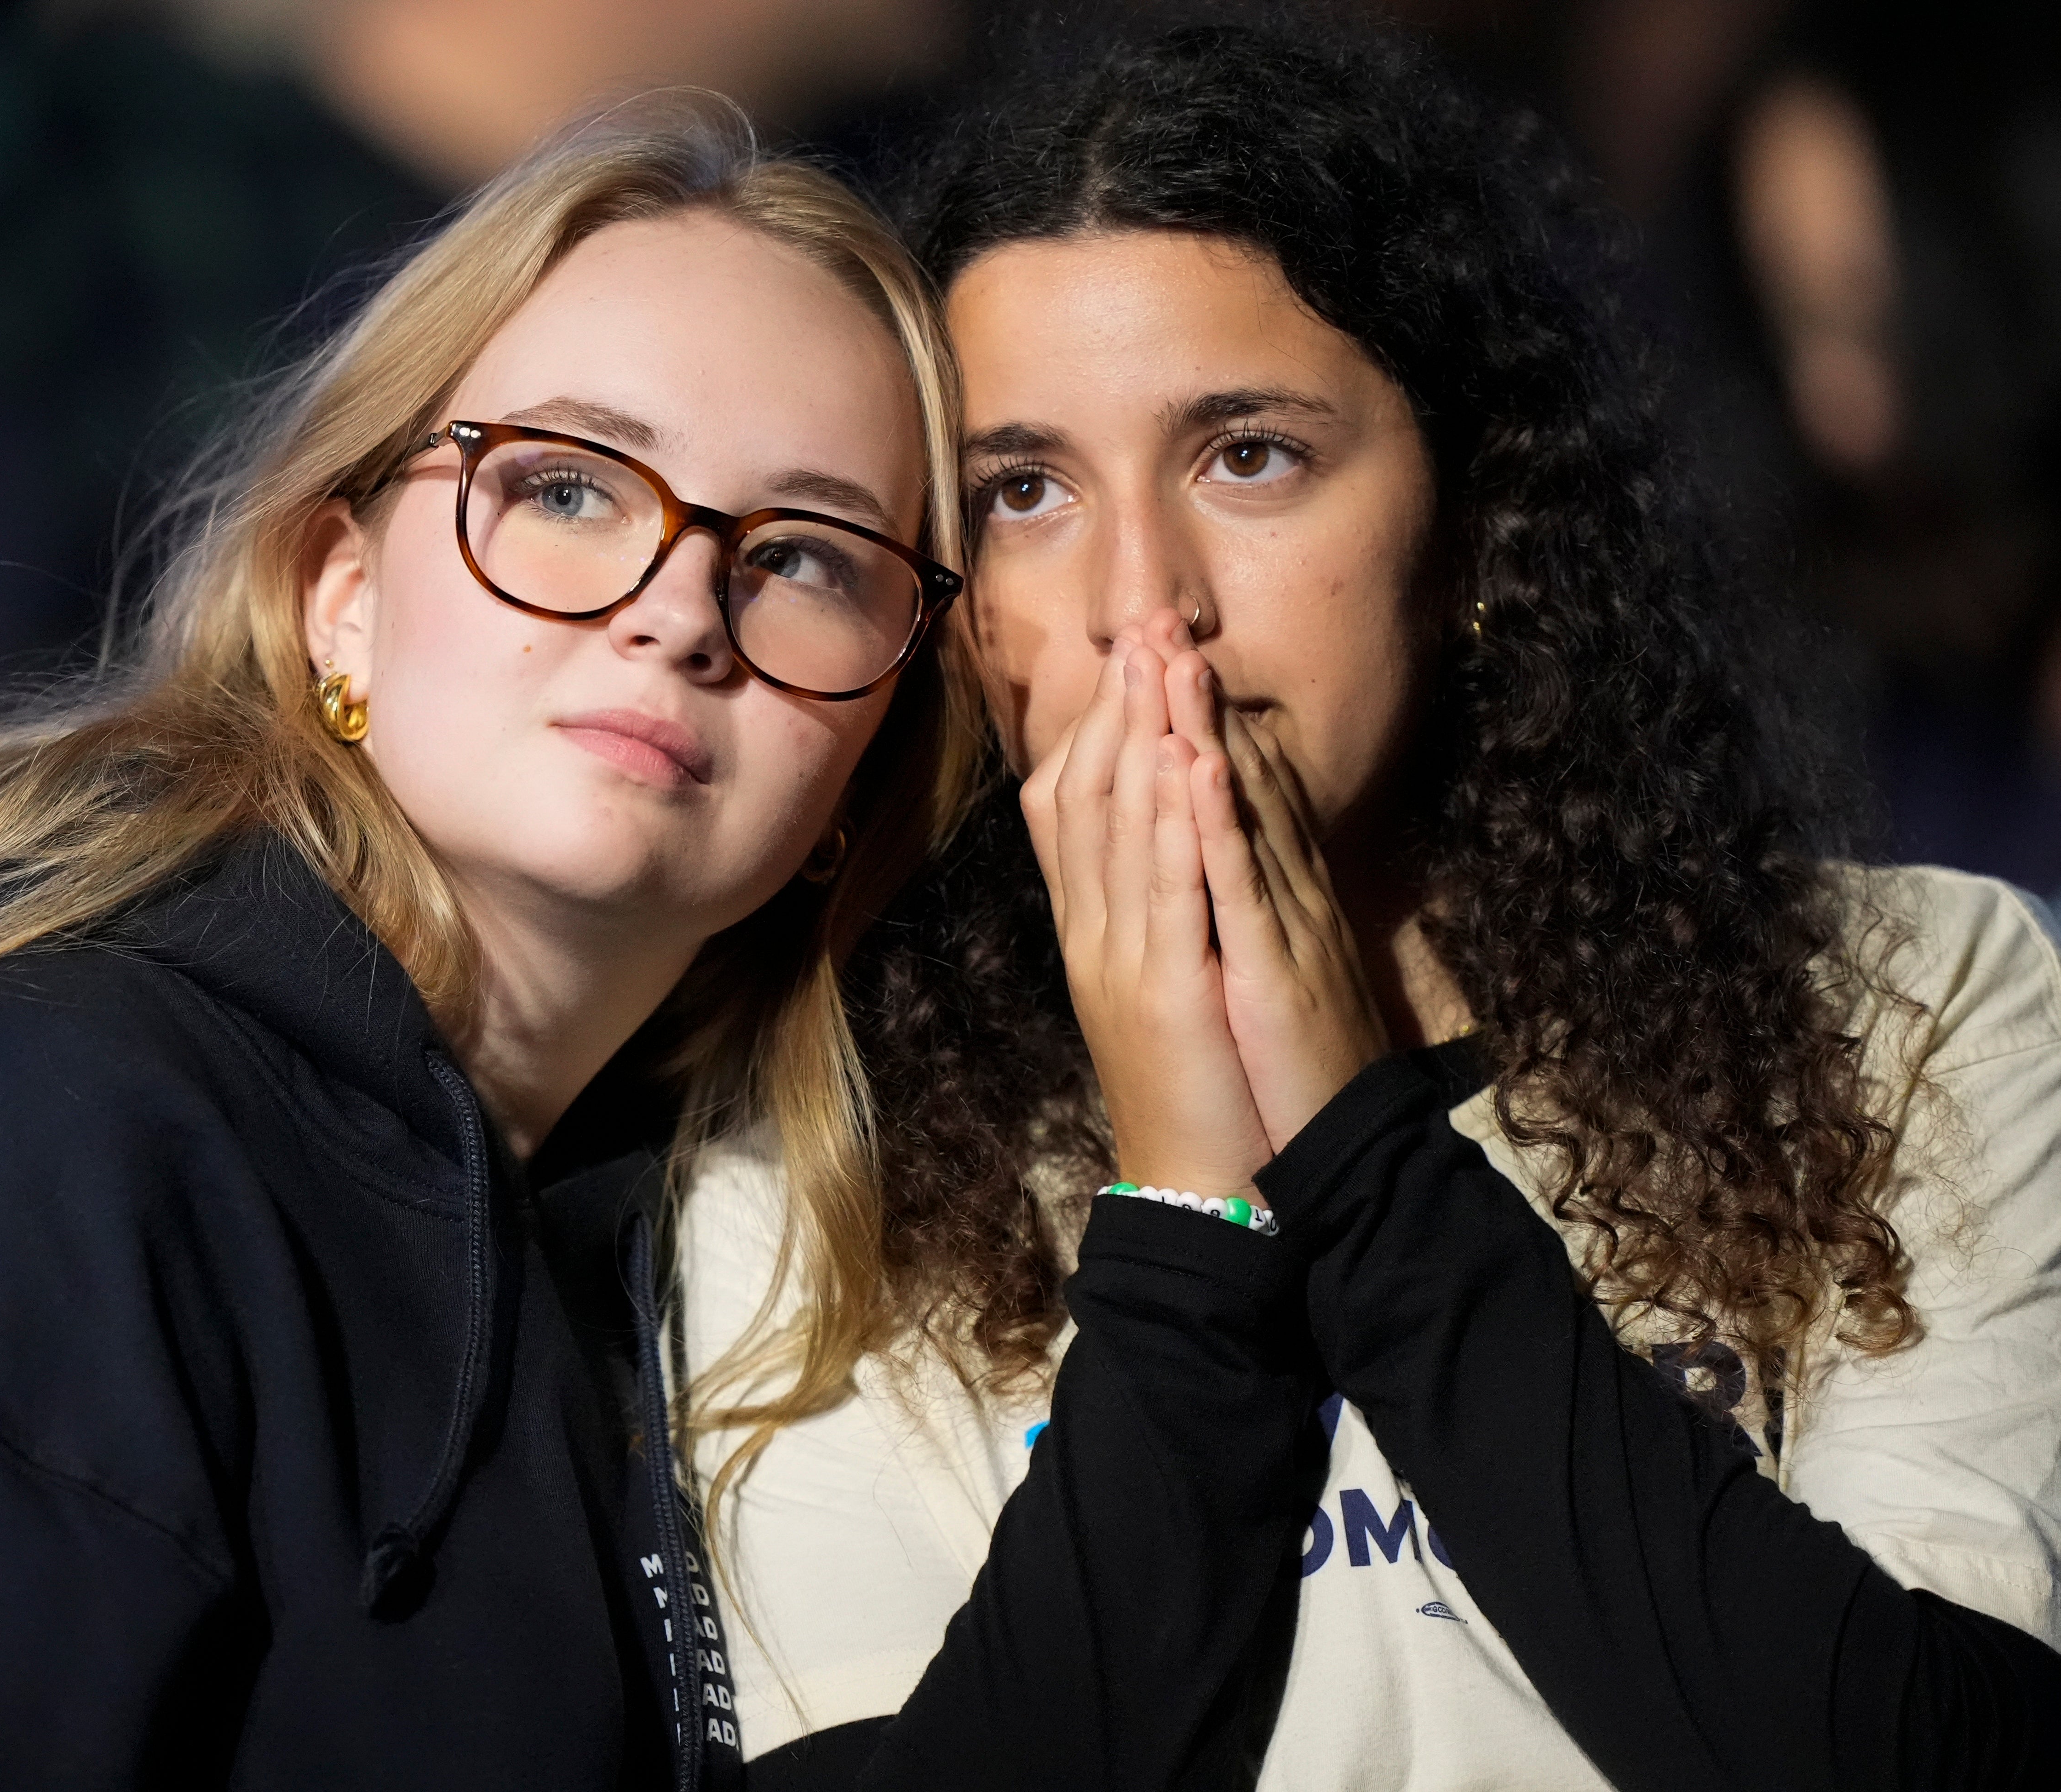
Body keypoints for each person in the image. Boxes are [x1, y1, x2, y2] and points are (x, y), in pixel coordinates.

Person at [0, 103, 974, 1788]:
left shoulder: (661, 1274)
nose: (682, 605)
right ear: (342, 596)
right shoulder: (13, 1137)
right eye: (564, 483)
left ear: (865, 763)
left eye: (807, 558)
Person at [677, 20, 2061, 1790]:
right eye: (1024, 492)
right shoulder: (819, 1173)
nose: (1139, 608)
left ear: (1479, 525)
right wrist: (1186, 1201)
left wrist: (1356, 1140)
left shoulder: (1914, 1003)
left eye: (1246, 455)